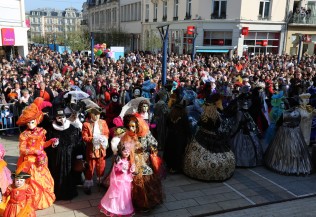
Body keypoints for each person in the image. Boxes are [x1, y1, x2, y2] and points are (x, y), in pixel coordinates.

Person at [16, 102, 58, 210]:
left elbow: (42, 145)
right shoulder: (24, 135)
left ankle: (43, 199)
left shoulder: (41, 131)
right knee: (33, 180)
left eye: (33, 121)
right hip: (30, 161)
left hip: (42, 160)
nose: (31, 124)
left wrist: (50, 141)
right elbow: (22, 149)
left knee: (44, 179)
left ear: (37, 120)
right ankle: (32, 201)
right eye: (29, 122)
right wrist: (35, 152)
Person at [183, 94, 235, 181]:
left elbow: (200, 124)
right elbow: (217, 125)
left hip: (202, 136)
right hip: (214, 136)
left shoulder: (204, 116)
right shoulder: (217, 116)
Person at [121, 114, 163, 212]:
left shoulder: (146, 133)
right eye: (129, 126)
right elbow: (122, 147)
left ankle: (146, 203)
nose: (131, 129)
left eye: (133, 126)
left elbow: (154, 143)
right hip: (132, 162)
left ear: (138, 125)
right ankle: (133, 202)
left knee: (145, 181)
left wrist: (147, 148)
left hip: (145, 161)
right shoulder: (127, 134)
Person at [265, 98, 313, 175]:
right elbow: (299, 121)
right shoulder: (298, 112)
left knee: (283, 148)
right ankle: (296, 164)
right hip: (296, 133)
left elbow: (278, 123)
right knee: (297, 148)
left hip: (284, 133)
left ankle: (283, 164)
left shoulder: (285, 113)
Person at [46, 108, 83, 200]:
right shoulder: (50, 129)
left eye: (62, 117)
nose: (61, 119)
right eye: (58, 118)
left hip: (70, 157)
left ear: (65, 117)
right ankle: (57, 193)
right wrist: (53, 145)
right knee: (56, 173)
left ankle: (69, 192)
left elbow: (78, 143)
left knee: (69, 173)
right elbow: (46, 144)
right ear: (55, 118)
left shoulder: (72, 128)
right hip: (56, 157)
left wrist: (78, 155)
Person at [99, 143, 135, 217]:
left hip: (126, 182)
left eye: (128, 151)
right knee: (117, 195)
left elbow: (129, 172)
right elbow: (115, 170)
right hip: (119, 181)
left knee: (125, 195)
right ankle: (114, 208)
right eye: (125, 151)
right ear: (121, 151)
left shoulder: (128, 161)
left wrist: (131, 170)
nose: (127, 153)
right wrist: (122, 170)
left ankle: (123, 208)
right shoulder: (118, 160)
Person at [229, 92, 263, 167]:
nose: (248, 102)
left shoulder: (242, 112)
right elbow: (239, 123)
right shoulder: (242, 112)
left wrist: (232, 133)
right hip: (244, 132)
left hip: (244, 132)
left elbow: (239, 124)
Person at [82, 106, 109, 195]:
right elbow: (84, 137)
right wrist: (93, 139)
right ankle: (88, 184)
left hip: (101, 149)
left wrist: (104, 138)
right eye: (94, 114)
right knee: (90, 167)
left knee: (101, 166)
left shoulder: (103, 122)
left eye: (98, 114)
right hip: (91, 150)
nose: (96, 116)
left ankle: (100, 182)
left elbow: (106, 133)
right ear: (90, 114)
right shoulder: (86, 124)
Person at [164, 102, 191, 174]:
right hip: (180, 137)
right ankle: (175, 168)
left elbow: (167, 125)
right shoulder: (184, 116)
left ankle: (170, 166)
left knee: (170, 150)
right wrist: (189, 136)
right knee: (178, 152)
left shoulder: (170, 115)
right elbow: (187, 127)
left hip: (171, 136)